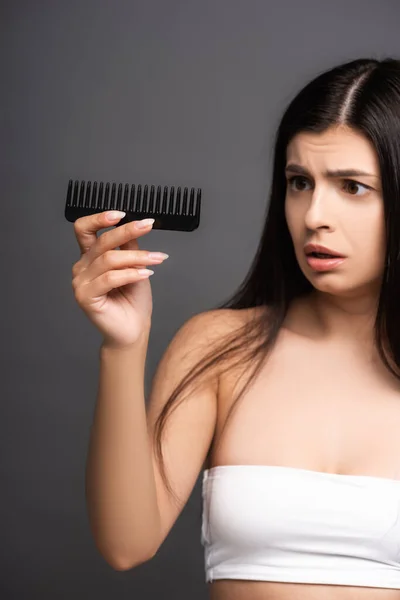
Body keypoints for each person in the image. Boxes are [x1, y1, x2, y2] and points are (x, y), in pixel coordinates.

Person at [72, 56, 400, 599]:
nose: (315, 213)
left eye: (352, 186)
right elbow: (126, 544)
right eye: (299, 182)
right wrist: (123, 346)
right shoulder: (221, 348)